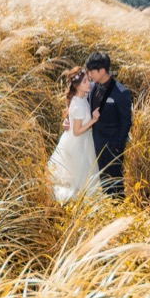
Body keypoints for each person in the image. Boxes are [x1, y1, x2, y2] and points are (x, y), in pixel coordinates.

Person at [48, 67, 101, 203]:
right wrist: (93, 120)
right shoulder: (78, 104)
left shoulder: (81, 98)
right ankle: (77, 204)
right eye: (85, 82)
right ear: (77, 86)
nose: (89, 83)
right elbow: (77, 131)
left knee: (82, 175)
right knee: (79, 175)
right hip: (77, 143)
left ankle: (81, 203)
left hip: (82, 141)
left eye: (88, 80)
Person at [85, 52, 132, 198]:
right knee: (101, 181)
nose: (89, 74)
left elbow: (126, 122)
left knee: (115, 182)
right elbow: (83, 106)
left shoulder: (122, 92)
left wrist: (117, 145)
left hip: (113, 146)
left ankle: (119, 210)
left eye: (91, 71)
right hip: (95, 142)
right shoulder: (91, 88)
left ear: (102, 71)